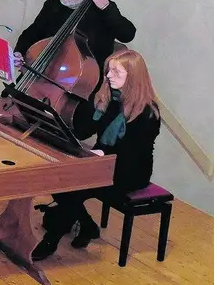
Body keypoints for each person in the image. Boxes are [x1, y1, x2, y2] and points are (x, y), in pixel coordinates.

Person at [32, 49, 162, 261]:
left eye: (116, 72)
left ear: (133, 77)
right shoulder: (108, 99)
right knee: (58, 178)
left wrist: (100, 154)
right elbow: (84, 131)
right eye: (108, 70)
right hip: (102, 161)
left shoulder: (147, 112)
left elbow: (132, 153)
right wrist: (59, 119)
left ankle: (50, 241)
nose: (108, 76)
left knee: (74, 188)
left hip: (129, 171)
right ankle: (88, 226)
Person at [13, 0, 137, 77]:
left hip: (85, 78)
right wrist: (20, 52)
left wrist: (106, 7)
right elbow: (32, 32)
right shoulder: (52, 5)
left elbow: (128, 35)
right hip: (47, 70)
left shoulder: (103, 9)